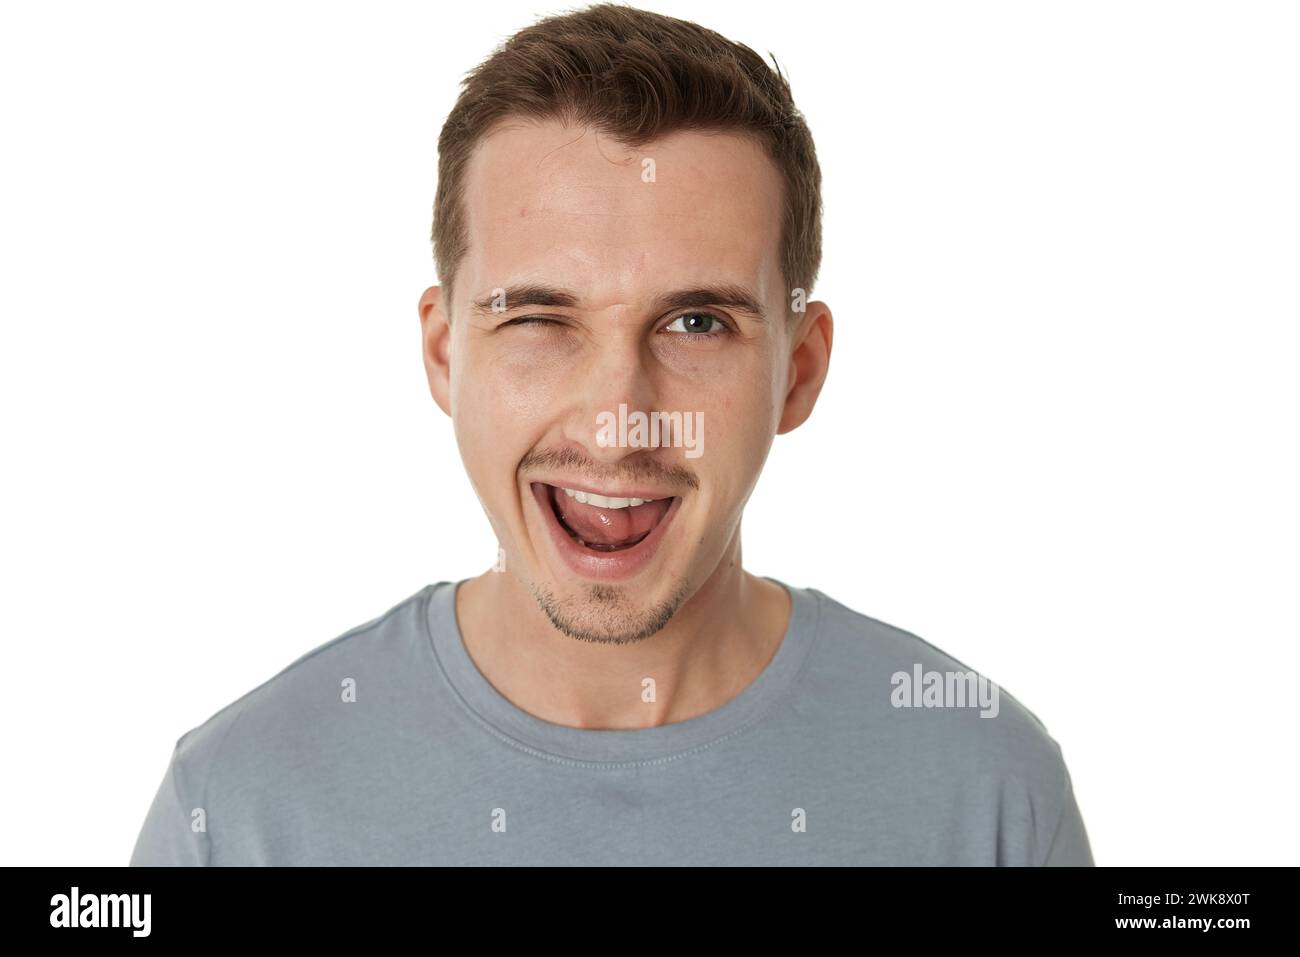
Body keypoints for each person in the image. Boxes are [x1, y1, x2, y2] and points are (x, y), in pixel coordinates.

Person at [130, 2, 1093, 866]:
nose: (617, 418)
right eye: (540, 320)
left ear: (799, 370)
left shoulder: (990, 793)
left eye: (697, 323)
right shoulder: (237, 810)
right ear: (443, 354)